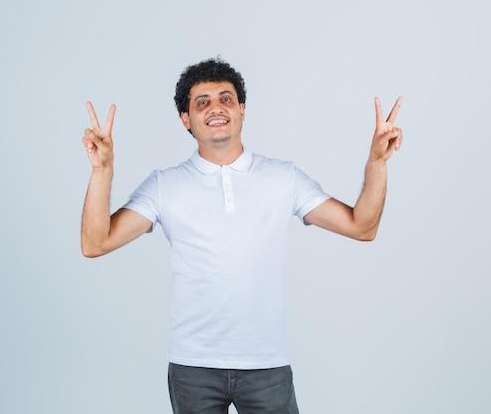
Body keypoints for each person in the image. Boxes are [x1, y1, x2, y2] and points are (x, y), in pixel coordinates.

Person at [80, 58, 403, 414]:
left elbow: (362, 227)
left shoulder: (284, 178)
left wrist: (377, 162)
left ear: (242, 110)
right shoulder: (163, 186)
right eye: (202, 102)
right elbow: (96, 243)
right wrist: (102, 170)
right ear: (186, 120)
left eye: (225, 99)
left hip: (267, 365)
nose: (215, 108)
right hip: (193, 366)